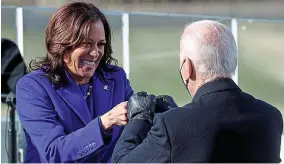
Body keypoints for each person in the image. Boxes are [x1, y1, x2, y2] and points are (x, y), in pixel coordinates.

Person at [112, 20, 283, 163]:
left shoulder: (171, 126)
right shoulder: (271, 117)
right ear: (233, 62)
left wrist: (139, 120)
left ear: (187, 68)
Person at [16, 2, 133, 163]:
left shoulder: (116, 78)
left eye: (101, 44)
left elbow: (135, 134)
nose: (95, 53)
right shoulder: (32, 87)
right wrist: (105, 123)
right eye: (86, 44)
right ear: (62, 45)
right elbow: (53, 152)